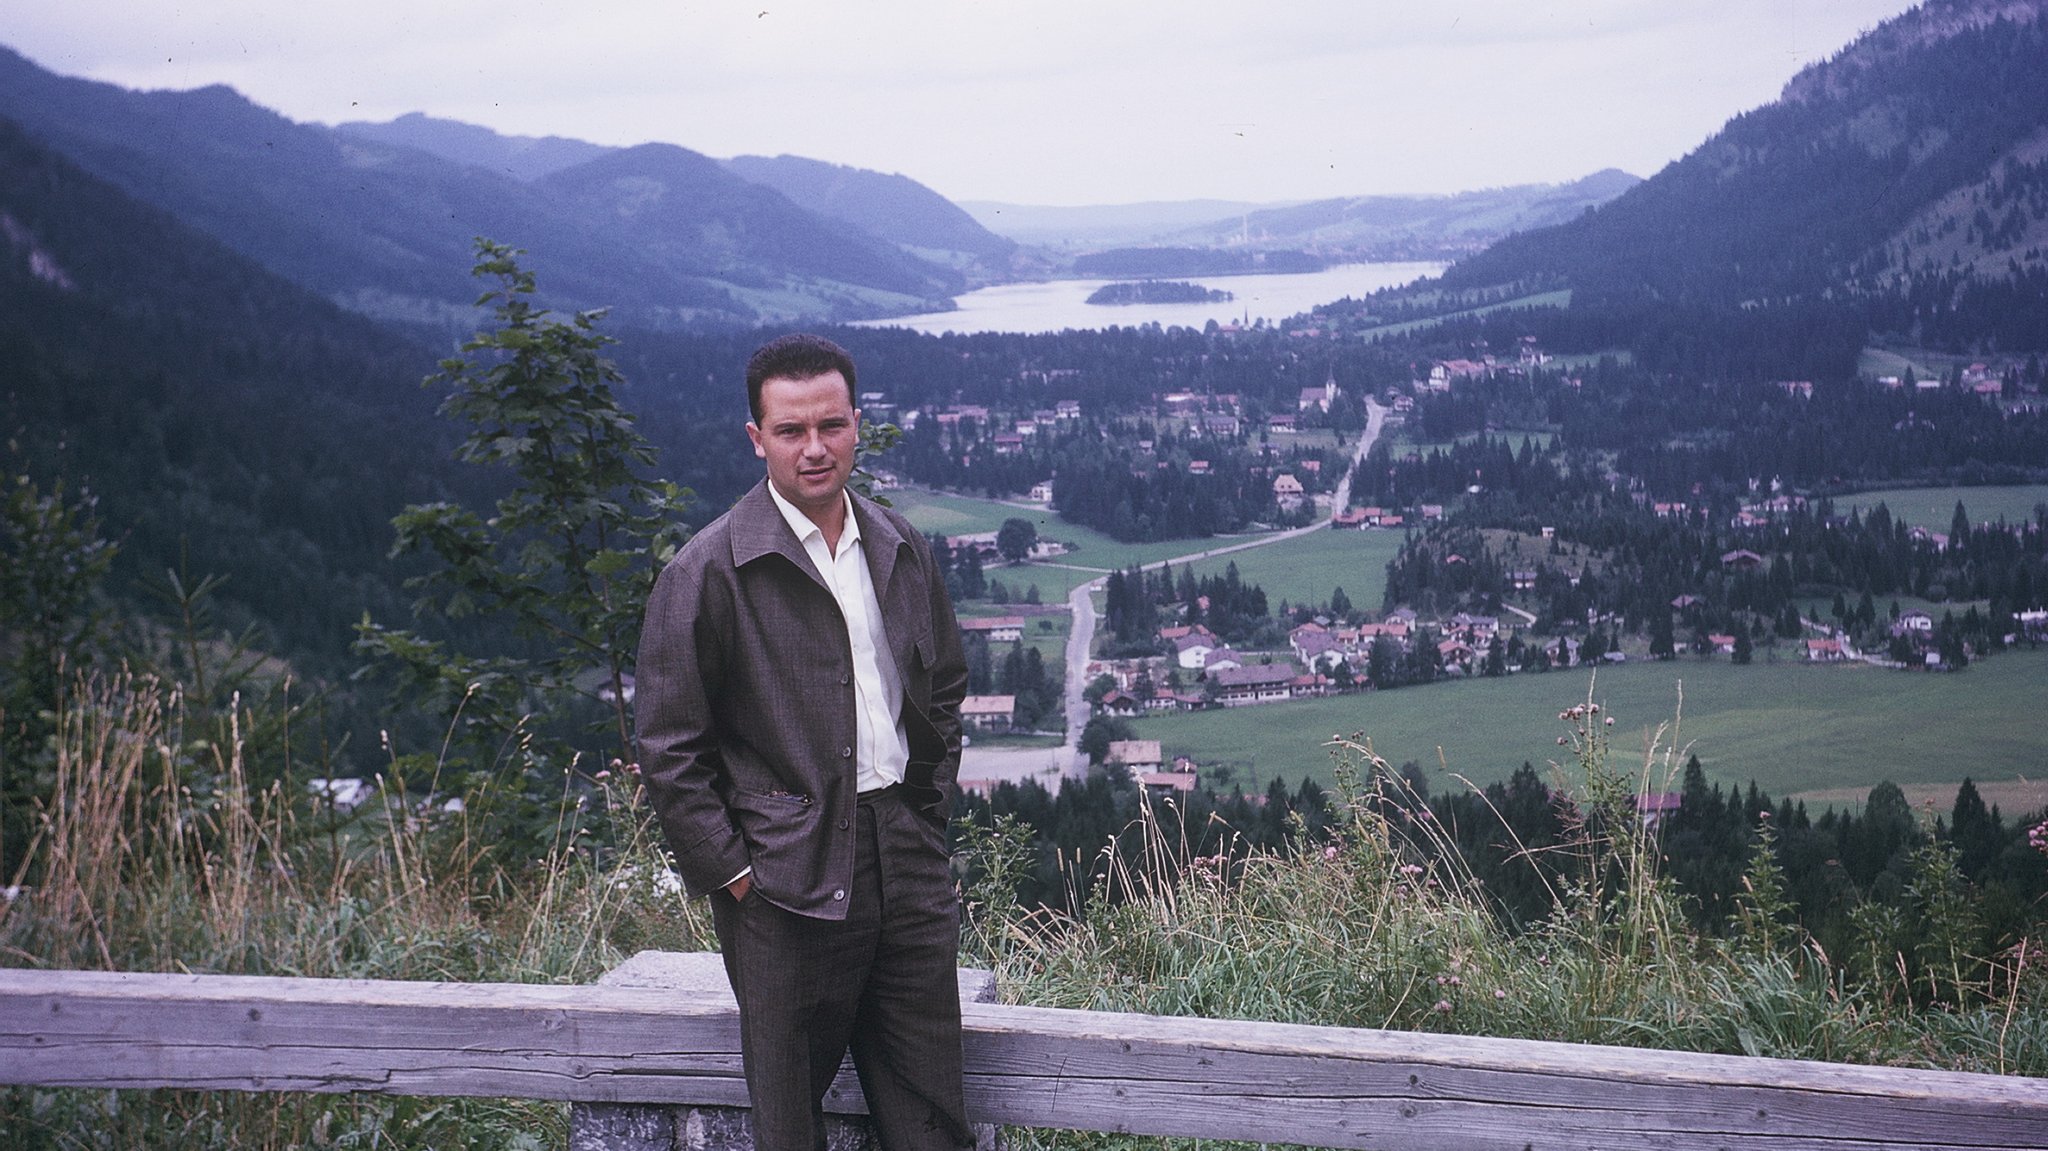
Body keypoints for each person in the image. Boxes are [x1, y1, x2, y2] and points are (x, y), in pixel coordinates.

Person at [635, 333, 973, 1151]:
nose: (814, 448)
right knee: (790, 1128)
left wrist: (925, 817)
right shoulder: (708, 570)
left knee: (932, 1121)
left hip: (907, 858)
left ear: (858, 423)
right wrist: (738, 875)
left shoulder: (897, 544)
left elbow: (946, 686)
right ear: (757, 438)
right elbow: (670, 747)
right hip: (782, 879)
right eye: (791, 430)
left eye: (831, 424)